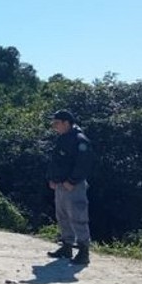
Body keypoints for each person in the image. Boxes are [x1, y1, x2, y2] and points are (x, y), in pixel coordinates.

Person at [46, 109, 95, 265]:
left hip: (73, 186)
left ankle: (83, 251)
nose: (54, 126)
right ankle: (66, 247)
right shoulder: (63, 138)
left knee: (78, 217)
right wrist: (52, 178)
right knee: (62, 216)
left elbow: (84, 164)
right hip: (60, 185)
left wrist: (72, 181)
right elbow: (55, 161)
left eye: (57, 123)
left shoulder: (79, 139)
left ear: (66, 123)